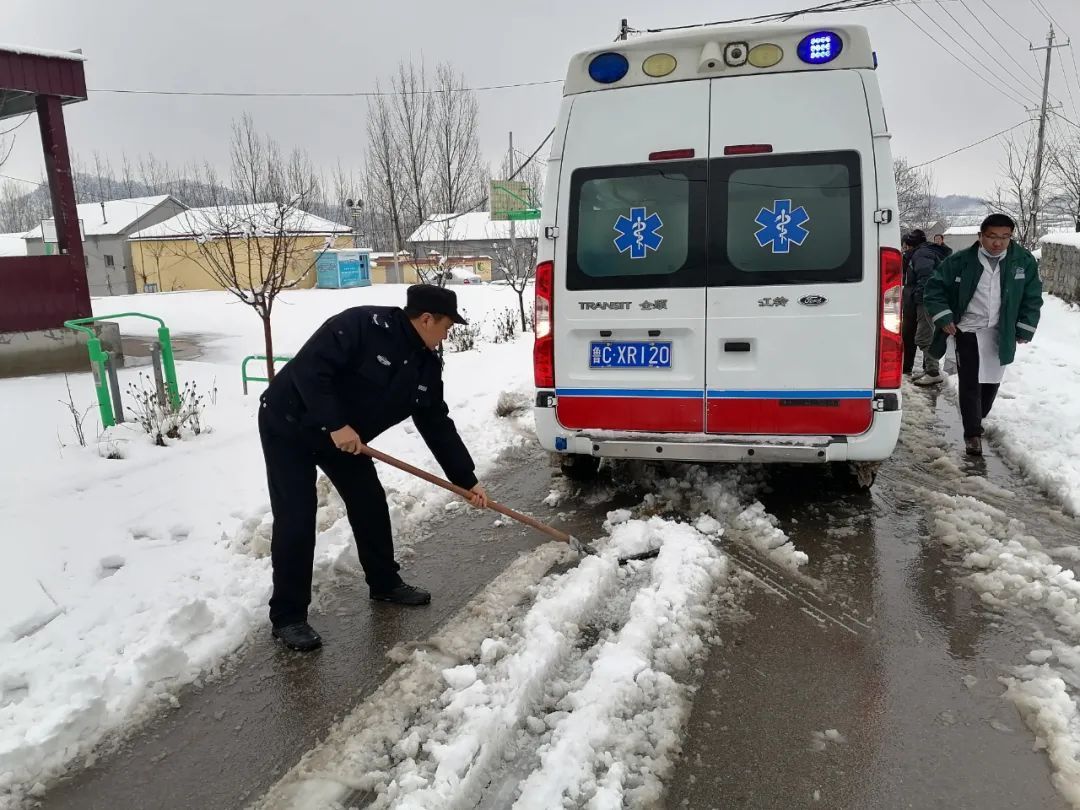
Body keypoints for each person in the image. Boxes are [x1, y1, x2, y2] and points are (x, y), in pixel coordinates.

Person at [258, 284, 490, 651]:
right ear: (426, 318)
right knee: (297, 518)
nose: (448, 333)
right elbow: (309, 371)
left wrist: (466, 479)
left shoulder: (426, 364)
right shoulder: (362, 325)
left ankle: (384, 584)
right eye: (447, 325)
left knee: (369, 503)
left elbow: (435, 422)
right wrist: (335, 423)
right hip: (290, 424)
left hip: (346, 440)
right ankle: (288, 617)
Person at [923, 213, 1043, 456]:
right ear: (980, 236)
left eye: (1004, 237)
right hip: (967, 329)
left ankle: (978, 416)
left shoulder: (1023, 261)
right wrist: (945, 317)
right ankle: (973, 434)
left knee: (990, 385)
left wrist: (1025, 327)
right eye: (992, 237)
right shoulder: (960, 261)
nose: (997, 243)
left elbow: (1033, 296)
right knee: (970, 382)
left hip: (1001, 331)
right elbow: (934, 288)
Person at [901, 229, 950, 385]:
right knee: (925, 335)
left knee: (924, 336)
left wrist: (920, 299)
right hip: (925, 300)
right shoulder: (923, 252)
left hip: (926, 301)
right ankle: (928, 369)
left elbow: (927, 277)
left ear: (910, 244)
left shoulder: (921, 254)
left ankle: (933, 372)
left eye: (906, 245)